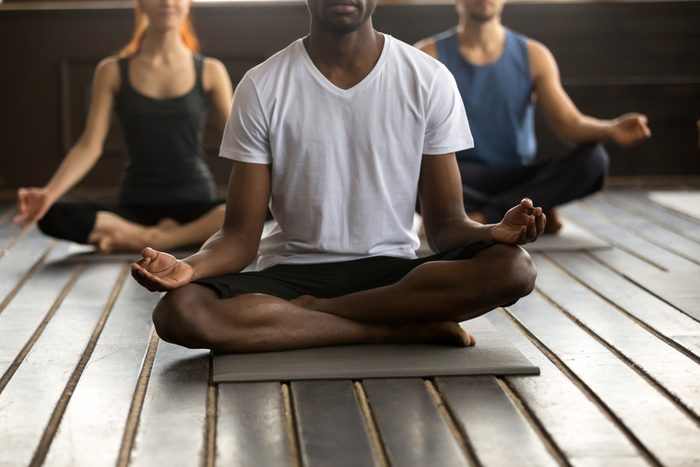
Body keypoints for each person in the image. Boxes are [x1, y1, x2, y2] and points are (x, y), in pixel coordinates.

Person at [130, 0, 546, 353]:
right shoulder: (262, 86)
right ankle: (402, 328)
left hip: (394, 274)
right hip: (293, 272)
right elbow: (240, 237)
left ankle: (312, 316)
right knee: (179, 313)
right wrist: (190, 267)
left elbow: (447, 227)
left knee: (514, 269)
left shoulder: (428, 79)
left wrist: (494, 233)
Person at [13, 0, 233, 252]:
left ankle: (150, 241)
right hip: (136, 204)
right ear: (140, 3)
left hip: (196, 202)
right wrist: (49, 193)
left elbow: (240, 141)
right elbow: (89, 146)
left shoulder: (211, 70)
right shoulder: (112, 70)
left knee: (259, 210)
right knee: (53, 214)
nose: (167, 2)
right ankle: (179, 238)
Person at [415, 0, 651, 231]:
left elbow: (570, 124)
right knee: (411, 170)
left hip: (519, 177)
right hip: (456, 177)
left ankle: (482, 216)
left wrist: (611, 128)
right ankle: (529, 210)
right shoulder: (427, 54)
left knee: (594, 160)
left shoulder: (534, 55)